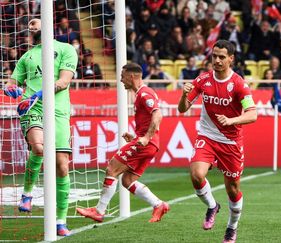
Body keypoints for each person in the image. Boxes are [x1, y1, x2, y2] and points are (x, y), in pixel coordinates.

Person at [2, 18, 78, 236]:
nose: (30, 26)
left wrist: (39, 94)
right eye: (29, 25)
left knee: (62, 165)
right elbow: (11, 82)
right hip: (32, 109)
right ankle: (27, 194)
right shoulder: (26, 56)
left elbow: (64, 81)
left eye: (35, 23)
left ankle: (61, 221)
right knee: (38, 147)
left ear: (48, 25)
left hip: (58, 111)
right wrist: (11, 90)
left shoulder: (65, 49)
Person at [178, 40, 257, 243]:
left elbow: (252, 114)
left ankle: (232, 228)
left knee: (233, 189)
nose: (218, 60)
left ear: (231, 59)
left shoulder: (239, 84)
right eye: (215, 56)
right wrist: (184, 94)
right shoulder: (203, 80)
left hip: (230, 142)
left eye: (222, 57)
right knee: (196, 174)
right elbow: (183, 108)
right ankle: (213, 206)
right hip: (207, 136)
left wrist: (232, 120)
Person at [76, 63, 169, 224]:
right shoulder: (142, 94)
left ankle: (99, 211)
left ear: (131, 76)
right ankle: (159, 205)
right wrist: (136, 137)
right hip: (149, 144)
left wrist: (146, 138)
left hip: (147, 143)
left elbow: (158, 115)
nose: (120, 79)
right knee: (127, 181)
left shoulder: (144, 94)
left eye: (122, 76)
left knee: (112, 168)